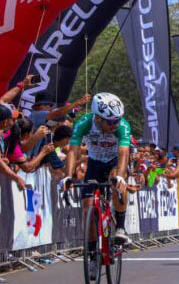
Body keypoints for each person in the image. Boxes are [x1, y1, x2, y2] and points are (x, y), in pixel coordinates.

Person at [62, 93, 131, 280]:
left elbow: (124, 153)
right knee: (87, 208)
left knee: (117, 182)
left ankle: (120, 229)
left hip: (115, 162)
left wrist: (121, 177)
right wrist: (68, 176)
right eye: (110, 122)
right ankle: (93, 255)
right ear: (98, 118)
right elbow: (73, 151)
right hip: (94, 163)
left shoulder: (122, 126)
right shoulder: (84, 123)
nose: (115, 124)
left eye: (117, 120)